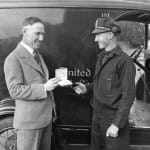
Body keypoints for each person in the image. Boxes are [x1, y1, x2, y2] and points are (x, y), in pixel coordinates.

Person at [74, 18, 136, 150]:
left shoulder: (125, 62)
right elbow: (100, 83)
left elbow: (128, 96)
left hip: (112, 120)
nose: (95, 39)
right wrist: (87, 88)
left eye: (98, 35)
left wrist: (116, 124)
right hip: (97, 117)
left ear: (110, 35)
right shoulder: (101, 56)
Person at [4, 17, 61, 150]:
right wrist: (44, 88)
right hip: (29, 123)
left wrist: (54, 82)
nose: (41, 38)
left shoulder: (37, 54)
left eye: (43, 34)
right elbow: (14, 90)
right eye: (37, 33)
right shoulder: (13, 59)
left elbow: (38, 80)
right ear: (24, 31)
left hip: (45, 120)